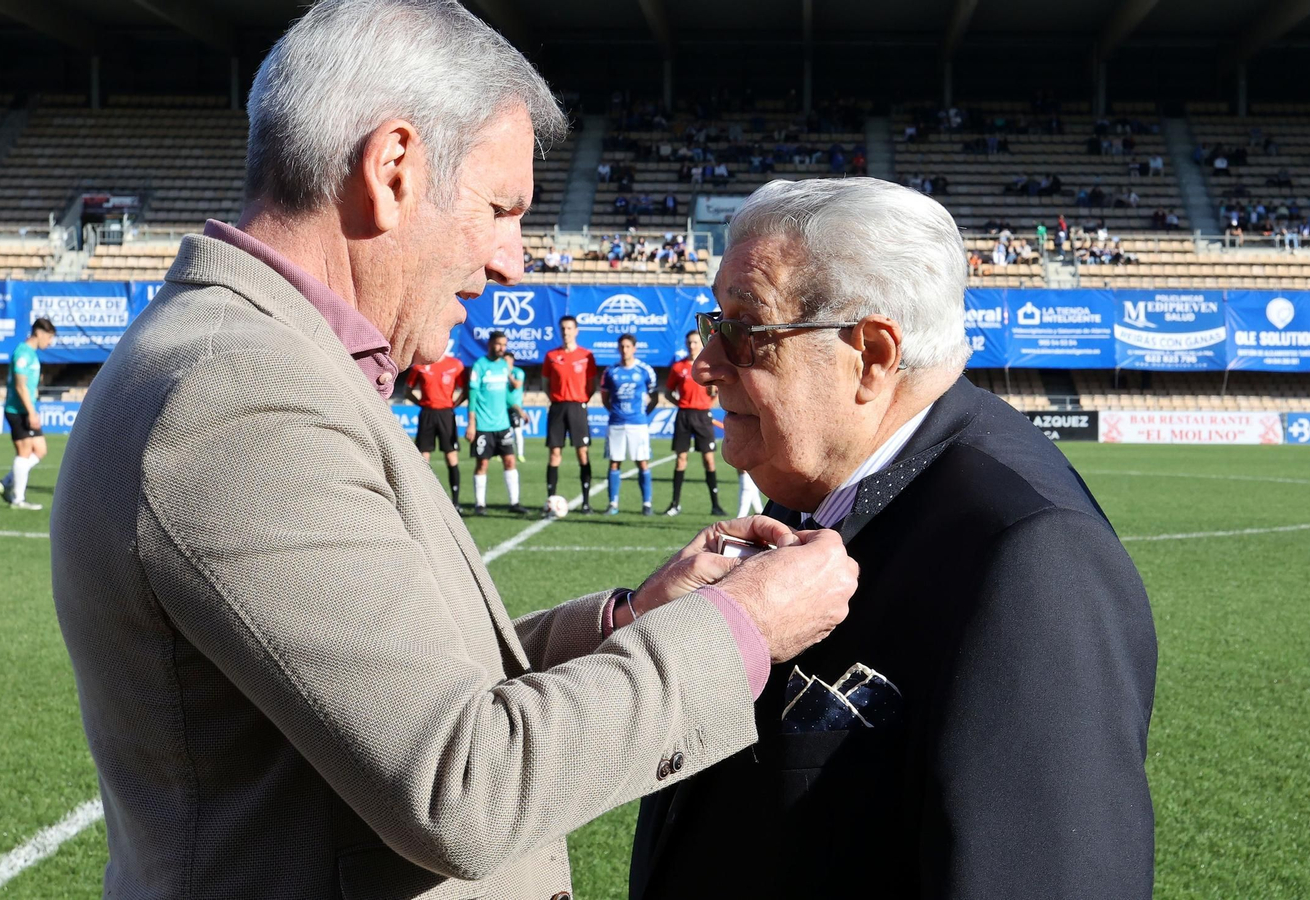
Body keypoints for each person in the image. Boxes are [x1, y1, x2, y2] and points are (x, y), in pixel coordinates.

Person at [50, 4, 860, 898]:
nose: (515, 260)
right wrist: (743, 627)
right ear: (393, 169)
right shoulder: (241, 393)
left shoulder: (263, 362)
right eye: (501, 209)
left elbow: (400, 692)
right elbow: (463, 788)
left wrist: (630, 622)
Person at [631, 177, 1157, 900]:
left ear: (872, 355)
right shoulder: (820, 484)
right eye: (713, 322)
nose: (705, 364)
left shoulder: (1031, 556)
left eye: (745, 329)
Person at [0, 317, 57, 510]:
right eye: (49, 337)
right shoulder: (22, 353)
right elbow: (20, 386)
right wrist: (31, 412)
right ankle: (18, 499)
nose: (50, 342)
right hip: (18, 410)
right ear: (39, 333)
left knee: (40, 450)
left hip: (26, 410)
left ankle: (6, 482)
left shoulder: (32, 355)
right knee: (24, 452)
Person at [665, 330, 726, 516]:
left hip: (703, 416)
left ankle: (715, 505)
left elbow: (716, 390)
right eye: (689, 343)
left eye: (694, 342)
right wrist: (681, 404)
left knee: (709, 460)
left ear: (700, 344)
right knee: (681, 459)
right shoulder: (678, 367)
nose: (691, 346)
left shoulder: (708, 366)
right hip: (684, 415)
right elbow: (668, 392)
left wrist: (708, 402)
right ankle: (675, 504)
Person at [542, 315, 597, 513]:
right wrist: (556, 399)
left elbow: (592, 385)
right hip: (557, 407)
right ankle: (550, 501)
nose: (566, 332)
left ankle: (586, 502)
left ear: (576, 331)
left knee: (582, 453)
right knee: (554, 454)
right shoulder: (551, 356)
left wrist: (581, 400)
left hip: (577, 407)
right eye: (563, 328)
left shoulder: (586, 355)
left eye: (569, 328)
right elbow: (546, 384)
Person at [467, 331, 524, 514]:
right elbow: (472, 396)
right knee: (482, 464)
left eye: (504, 345)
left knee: (510, 461)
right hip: (483, 425)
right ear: (490, 344)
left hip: (503, 425)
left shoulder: (504, 366)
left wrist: (519, 409)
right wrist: (471, 423)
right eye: (499, 344)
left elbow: (506, 394)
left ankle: (514, 503)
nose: (502, 348)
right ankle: (480, 504)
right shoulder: (479, 366)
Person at [600, 332, 657, 514]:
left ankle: (647, 504)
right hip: (616, 423)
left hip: (638, 424)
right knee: (614, 463)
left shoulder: (645, 370)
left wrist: (642, 414)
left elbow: (654, 397)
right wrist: (616, 412)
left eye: (628, 346)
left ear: (634, 348)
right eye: (622, 346)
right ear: (618, 348)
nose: (624, 350)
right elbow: (605, 399)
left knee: (642, 463)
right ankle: (613, 504)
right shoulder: (610, 371)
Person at [406, 350, 466, 509]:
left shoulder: (455, 365)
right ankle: (423, 501)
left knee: (451, 456)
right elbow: (407, 391)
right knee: (423, 457)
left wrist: (453, 405)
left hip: (446, 414)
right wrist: (421, 403)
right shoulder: (419, 365)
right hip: (427, 414)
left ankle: (456, 501)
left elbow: (465, 390)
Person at [503, 350, 528, 460]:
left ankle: (520, 454)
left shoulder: (518, 372)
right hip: (501, 406)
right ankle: (502, 453)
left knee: (517, 431)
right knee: (504, 431)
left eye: (507, 360)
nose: (505, 362)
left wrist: (508, 375)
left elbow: (517, 385)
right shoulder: (499, 372)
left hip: (515, 407)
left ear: (512, 360)